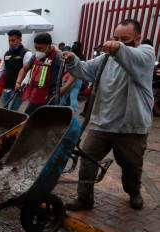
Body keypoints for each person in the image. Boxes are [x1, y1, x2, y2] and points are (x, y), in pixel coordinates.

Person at [63, 19, 155, 211]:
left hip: (131, 128)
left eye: (125, 39)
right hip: (101, 124)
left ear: (138, 39)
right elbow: (85, 70)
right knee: (87, 162)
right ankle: (84, 199)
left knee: (131, 169)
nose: (119, 42)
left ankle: (134, 192)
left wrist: (118, 46)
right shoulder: (106, 58)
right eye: (115, 38)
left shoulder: (146, 52)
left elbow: (132, 56)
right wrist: (72, 60)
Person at [15, 32, 63, 115]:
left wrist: (61, 91)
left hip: (51, 98)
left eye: (40, 48)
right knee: (28, 116)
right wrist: (18, 82)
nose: (37, 51)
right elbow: (24, 69)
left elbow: (72, 75)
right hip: (36, 95)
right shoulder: (35, 57)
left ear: (49, 45)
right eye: (36, 48)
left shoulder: (59, 57)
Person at [0, 30, 33, 111]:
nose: (11, 42)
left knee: (12, 112)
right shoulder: (6, 54)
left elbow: (29, 71)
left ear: (20, 40)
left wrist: (22, 85)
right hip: (6, 89)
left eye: (13, 40)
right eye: (9, 40)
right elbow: (0, 70)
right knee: (4, 111)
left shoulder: (26, 53)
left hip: (17, 90)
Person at [60, 41, 84, 112]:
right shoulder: (81, 57)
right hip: (78, 80)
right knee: (73, 97)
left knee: (64, 95)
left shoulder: (71, 57)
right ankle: (73, 110)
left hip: (69, 78)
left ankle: (62, 109)